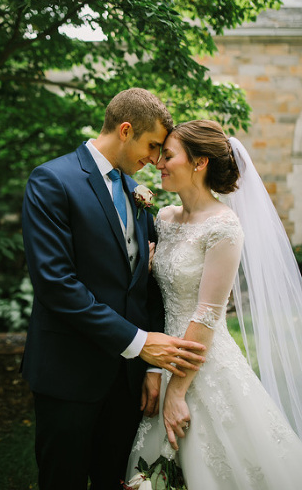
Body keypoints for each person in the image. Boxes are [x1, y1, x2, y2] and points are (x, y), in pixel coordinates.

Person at [20, 88, 208, 490]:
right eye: (152, 145)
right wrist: (140, 342)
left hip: (128, 382)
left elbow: (148, 284)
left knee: (119, 482)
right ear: (125, 130)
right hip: (69, 374)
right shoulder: (53, 180)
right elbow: (56, 284)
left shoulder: (136, 192)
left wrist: (151, 367)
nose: (156, 159)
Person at [126, 120, 302, 488]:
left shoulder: (224, 226)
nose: (158, 163)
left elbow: (207, 313)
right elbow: (156, 296)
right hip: (163, 354)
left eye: (168, 155)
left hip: (202, 361)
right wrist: (155, 369)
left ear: (199, 162)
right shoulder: (165, 218)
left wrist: (177, 392)